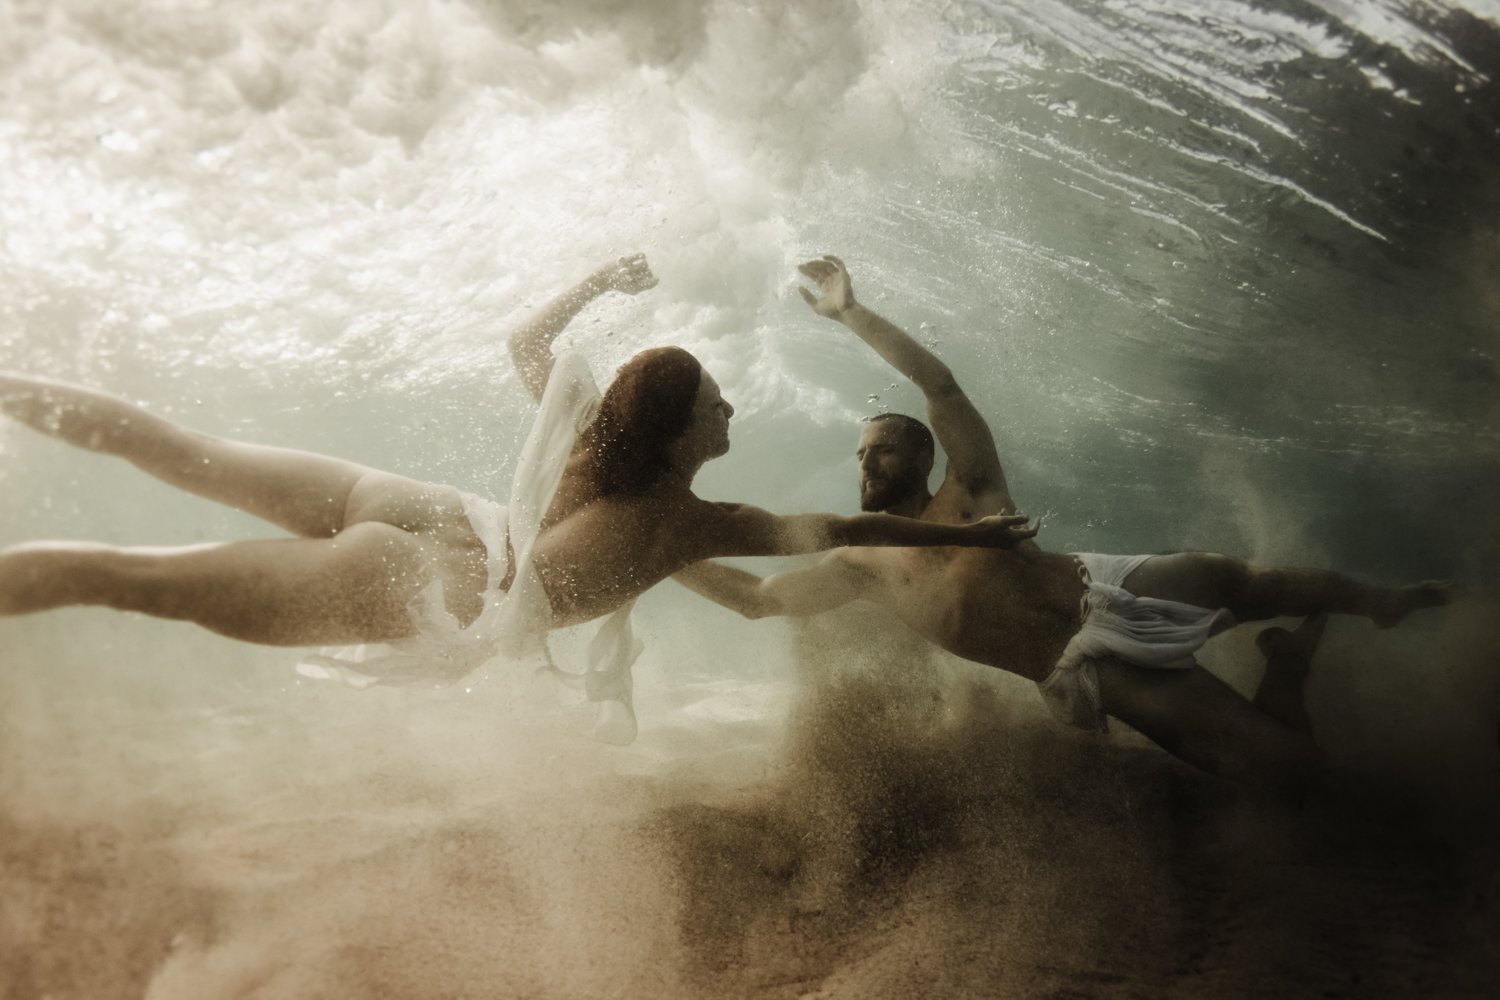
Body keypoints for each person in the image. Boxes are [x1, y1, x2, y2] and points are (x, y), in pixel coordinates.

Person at [0, 254, 1037, 743]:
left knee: (178, 448)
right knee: (135, 580)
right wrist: (974, 528)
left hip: (433, 509)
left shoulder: (597, 443)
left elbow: (524, 346)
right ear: (680, 431)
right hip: (435, 579)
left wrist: (600, 280)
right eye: (717, 407)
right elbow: (844, 527)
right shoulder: (690, 519)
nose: (730, 418)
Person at [675, 256, 1455, 790]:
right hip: (1081, 666)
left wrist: (852, 313)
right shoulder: (857, 568)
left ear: (919, 459)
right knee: (1285, 771)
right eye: (860, 456)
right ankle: (1286, 668)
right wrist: (666, 554)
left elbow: (939, 385)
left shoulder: (971, 493)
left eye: (879, 452)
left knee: (1246, 581)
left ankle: (1375, 601)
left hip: (1097, 582)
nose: (864, 468)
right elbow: (757, 598)